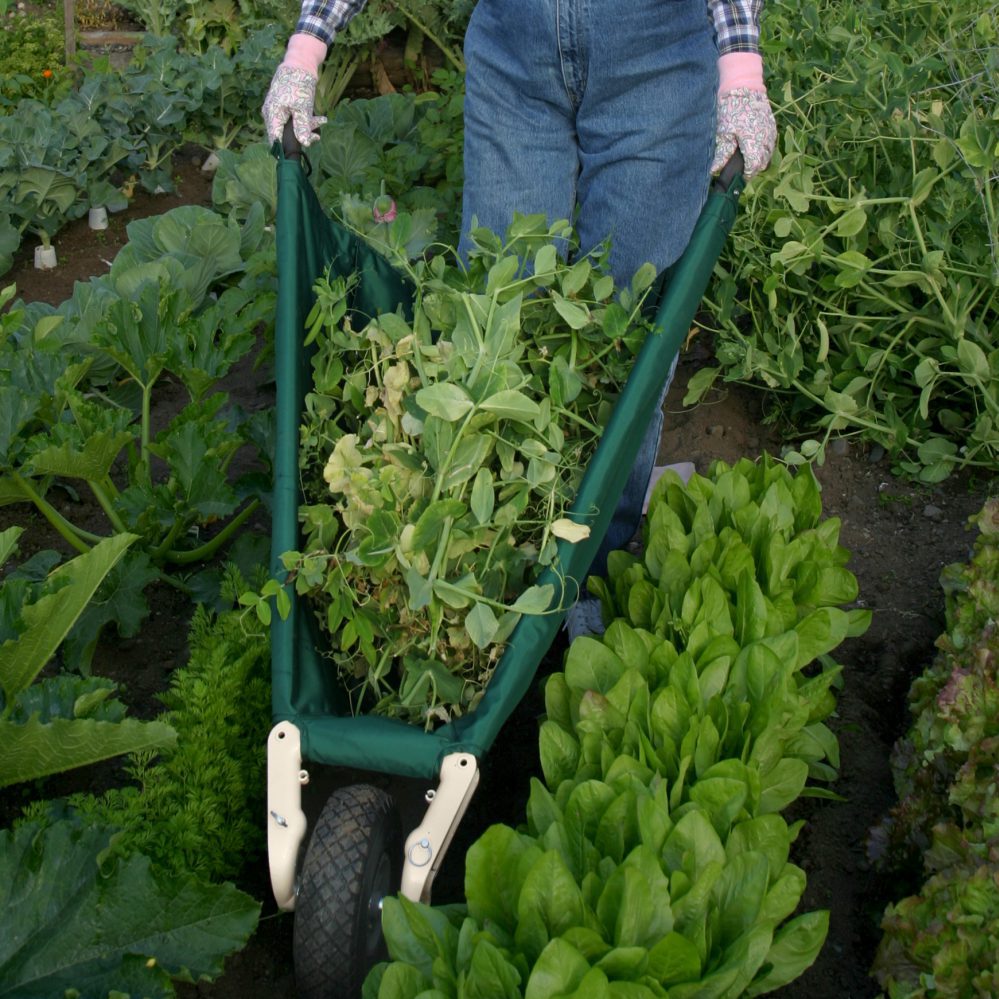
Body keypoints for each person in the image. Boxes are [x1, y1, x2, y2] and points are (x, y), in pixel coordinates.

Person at [263, 0, 777, 636]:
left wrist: (742, 72)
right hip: (515, 50)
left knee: (627, 334)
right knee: (494, 318)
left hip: (658, 63)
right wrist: (306, 51)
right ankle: (496, 568)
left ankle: (586, 578)